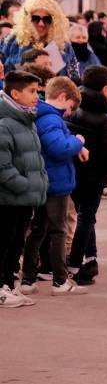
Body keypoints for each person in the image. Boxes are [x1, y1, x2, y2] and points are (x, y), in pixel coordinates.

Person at [20, 76, 86, 296]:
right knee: (58, 230)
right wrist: (79, 141)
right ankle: (60, 280)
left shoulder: (42, 115)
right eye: (70, 107)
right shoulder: (51, 119)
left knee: (37, 229)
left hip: (43, 181)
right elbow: (59, 148)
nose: (70, 112)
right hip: (56, 182)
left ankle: (28, 279)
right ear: (63, 97)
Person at [65, 66, 107, 286]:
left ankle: (91, 258)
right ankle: (75, 264)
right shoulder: (104, 121)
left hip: (73, 173)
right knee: (87, 217)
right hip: (93, 176)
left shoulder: (73, 111)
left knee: (85, 216)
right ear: (106, 89)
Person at [0, 70, 48, 308]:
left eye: (37, 91)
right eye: (32, 91)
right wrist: (25, 185)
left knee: (16, 244)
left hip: (23, 198)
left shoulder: (26, 119)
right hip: (8, 198)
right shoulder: (4, 123)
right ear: (15, 93)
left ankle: (8, 285)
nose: (36, 96)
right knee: (4, 243)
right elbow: (3, 167)